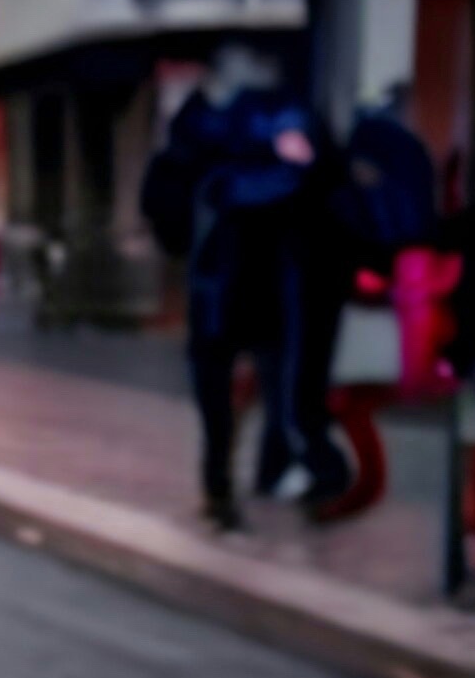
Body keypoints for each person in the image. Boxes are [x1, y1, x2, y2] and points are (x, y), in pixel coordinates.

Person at [143, 44, 334, 527]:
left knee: (242, 388)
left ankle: (230, 482)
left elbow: (167, 193)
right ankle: (255, 477)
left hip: (231, 278)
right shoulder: (271, 123)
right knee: (271, 385)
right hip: (256, 280)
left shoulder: (207, 135)